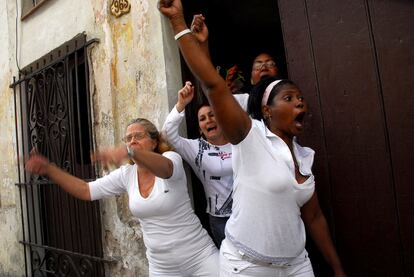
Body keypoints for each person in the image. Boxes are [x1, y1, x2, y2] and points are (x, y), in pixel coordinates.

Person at [159, 1, 347, 276]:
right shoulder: (250, 137)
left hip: (297, 265)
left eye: (301, 99)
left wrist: (338, 269)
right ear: (267, 110)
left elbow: (315, 217)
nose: (300, 104)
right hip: (247, 266)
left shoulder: (304, 157)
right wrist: (178, 23)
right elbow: (213, 86)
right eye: (290, 98)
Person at [25, 117, 219, 277]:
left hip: (199, 256)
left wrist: (130, 152)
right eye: (128, 138)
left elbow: (165, 169)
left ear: (153, 142)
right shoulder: (126, 174)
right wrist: (49, 169)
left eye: (138, 136)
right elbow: (86, 190)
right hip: (162, 267)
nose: (132, 141)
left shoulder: (170, 159)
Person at [162, 81, 233, 247]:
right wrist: (181, 103)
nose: (208, 120)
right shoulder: (196, 148)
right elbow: (167, 133)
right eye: (202, 118)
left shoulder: (239, 141)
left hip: (250, 212)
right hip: (221, 220)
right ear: (200, 128)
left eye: (212, 115)